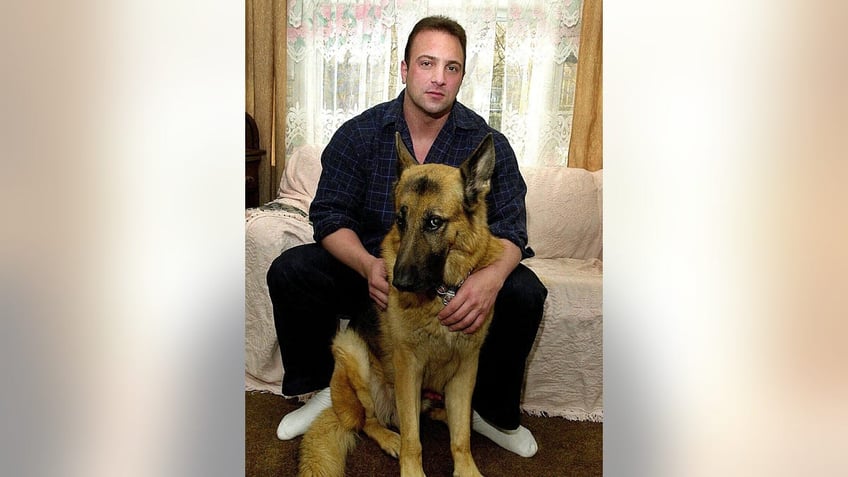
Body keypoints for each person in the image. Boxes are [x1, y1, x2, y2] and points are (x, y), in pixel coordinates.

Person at [266, 15, 547, 458]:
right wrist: (366, 265)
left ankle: (490, 411)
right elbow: (328, 215)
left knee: (526, 291)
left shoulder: (487, 142)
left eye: (451, 67)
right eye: (427, 63)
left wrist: (488, 281)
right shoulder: (359, 134)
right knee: (291, 269)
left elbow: (512, 228)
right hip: (372, 273)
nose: (438, 78)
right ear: (404, 68)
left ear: (461, 76)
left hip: (448, 274)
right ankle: (327, 386)